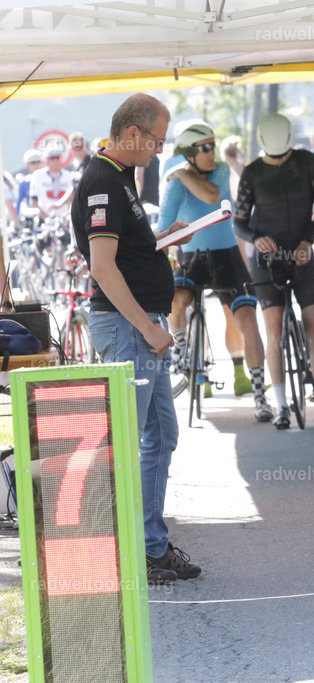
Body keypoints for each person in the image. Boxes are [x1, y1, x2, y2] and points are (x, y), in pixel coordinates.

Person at [70, 93, 201, 584]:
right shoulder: (104, 181)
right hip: (129, 326)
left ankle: (150, 546)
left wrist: (164, 239)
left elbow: (124, 251)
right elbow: (103, 267)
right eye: (156, 141)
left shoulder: (119, 175)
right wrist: (148, 328)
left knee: (161, 435)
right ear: (131, 133)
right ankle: (132, 551)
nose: (158, 150)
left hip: (139, 325)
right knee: (130, 440)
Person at [233, 112, 314, 429]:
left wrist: (307, 242)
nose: (280, 159)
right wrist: (256, 239)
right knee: (274, 330)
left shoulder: (305, 161)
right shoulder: (252, 172)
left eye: (284, 154)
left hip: (302, 253)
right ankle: (282, 406)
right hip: (267, 260)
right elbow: (239, 221)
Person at [159, 120, 271, 421]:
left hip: (226, 257)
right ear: (188, 153)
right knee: (175, 301)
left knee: (248, 319)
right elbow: (163, 229)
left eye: (213, 145)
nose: (212, 152)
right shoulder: (174, 183)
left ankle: (260, 395)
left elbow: (211, 196)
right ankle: (182, 351)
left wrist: (182, 172)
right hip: (191, 257)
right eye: (204, 148)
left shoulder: (220, 170)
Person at [30, 147, 75, 221]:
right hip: (43, 219)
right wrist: (46, 218)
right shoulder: (38, 175)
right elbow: (33, 201)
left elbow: (73, 199)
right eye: (52, 158)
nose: (55, 160)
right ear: (47, 161)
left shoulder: (68, 176)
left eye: (58, 157)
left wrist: (69, 216)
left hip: (64, 219)